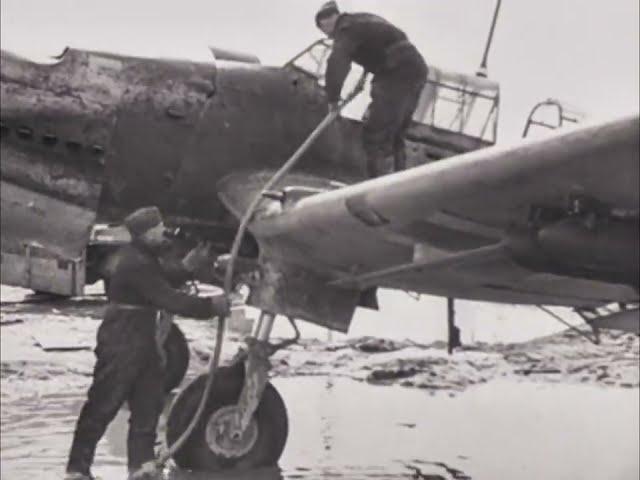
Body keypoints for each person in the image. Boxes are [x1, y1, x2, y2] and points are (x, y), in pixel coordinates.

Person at [65, 206, 230, 480]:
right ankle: (77, 469)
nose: (163, 231)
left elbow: (163, 278)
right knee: (103, 403)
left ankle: (141, 467)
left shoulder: (143, 257)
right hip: (121, 339)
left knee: (148, 402)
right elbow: (168, 298)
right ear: (143, 234)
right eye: (157, 228)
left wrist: (188, 266)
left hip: (142, 337)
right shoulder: (135, 263)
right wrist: (212, 306)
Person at [315, 1, 428, 178]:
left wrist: (332, 99)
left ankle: (376, 190)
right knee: (395, 134)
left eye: (324, 30)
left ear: (327, 21)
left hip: (395, 73)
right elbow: (382, 42)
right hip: (416, 69)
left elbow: (337, 62)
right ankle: (398, 186)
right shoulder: (363, 19)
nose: (329, 36)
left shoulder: (346, 29)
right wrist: (365, 75)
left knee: (376, 136)